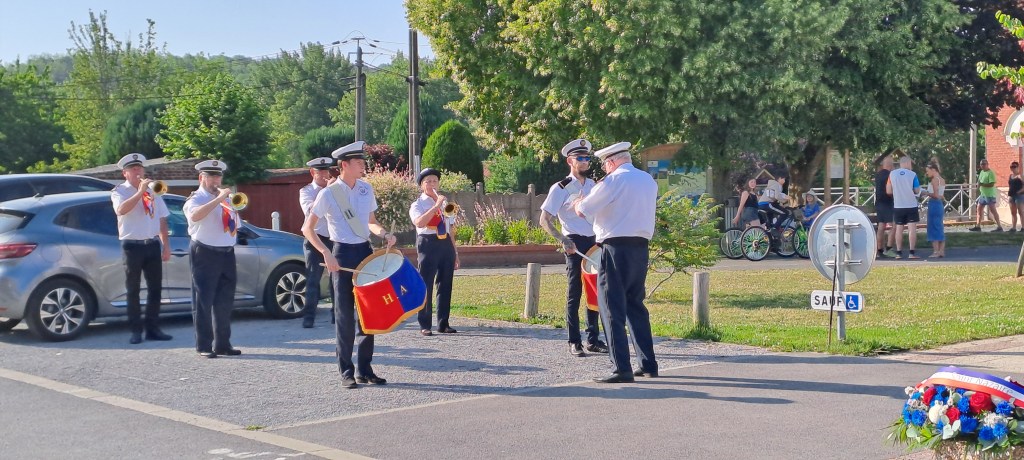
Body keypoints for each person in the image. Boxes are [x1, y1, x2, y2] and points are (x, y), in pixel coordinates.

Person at [302, 141, 397, 389]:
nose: (363, 166)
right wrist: (326, 253)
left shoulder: (366, 188)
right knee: (344, 316)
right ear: (344, 165)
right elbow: (307, 228)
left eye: (363, 162)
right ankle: (346, 371)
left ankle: (365, 369)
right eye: (358, 162)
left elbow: (371, 222)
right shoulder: (328, 193)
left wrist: (384, 234)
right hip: (341, 253)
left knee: (369, 313)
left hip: (365, 253)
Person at [574, 142, 658, 384]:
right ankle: (648, 364)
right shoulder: (647, 180)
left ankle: (621, 367)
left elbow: (584, 209)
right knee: (635, 305)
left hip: (615, 248)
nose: (604, 169)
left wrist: (578, 202)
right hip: (640, 248)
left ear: (611, 162)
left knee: (611, 307)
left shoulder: (613, 181)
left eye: (604, 164)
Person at [539, 139, 608, 357]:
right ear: (570, 161)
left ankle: (593, 339)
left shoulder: (593, 185)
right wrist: (563, 239)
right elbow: (544, 220)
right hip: (574, 242)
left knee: (595, 291)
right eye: (581, 158)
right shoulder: (560, 188)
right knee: (575, 292)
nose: (586, 161)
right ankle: (574, 340)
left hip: (594, 242)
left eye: (587, 157)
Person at [110, 153, 173, 344]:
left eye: (140, 168)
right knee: (133, 289)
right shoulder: (119, 191)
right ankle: (136, 330)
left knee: (155, 289)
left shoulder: (153, 191)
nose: (138, 171)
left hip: (152, 244)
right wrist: (140, 192)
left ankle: (153, 329)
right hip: (132, 246)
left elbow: (162, 219)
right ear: (125, 173)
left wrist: (165, 245)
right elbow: (121, 210)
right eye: (133, 169)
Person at [183, 160, 241, 358]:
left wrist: (228, 202)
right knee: (203, 301)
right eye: (212, 177)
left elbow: (236, 225)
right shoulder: (196, 198)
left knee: (225, 301)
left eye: (218, 176)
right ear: (202, 178)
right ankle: (204, 346)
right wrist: (219, 199)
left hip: (226, 252)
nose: (216, 181)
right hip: (205, 252)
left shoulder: (226, 199)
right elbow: (195, 216)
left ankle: (223, 344)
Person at [409, 167, 460, 336]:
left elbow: (450, 228)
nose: (432, 184)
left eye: (435, 181)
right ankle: (424, 324)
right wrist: (436, 206)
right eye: (428, 181)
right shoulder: (417, 204)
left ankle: (443, 323)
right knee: (426, 283)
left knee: (445, 283)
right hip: (427, 243)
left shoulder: (446, 204)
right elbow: (419, 222)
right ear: (422, 185)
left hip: (445, 243)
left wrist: (455, 253)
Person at [299, 157, 336, 328]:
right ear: (312, 173)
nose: (324, 175)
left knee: (336, 279)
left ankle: (337, 315)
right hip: (315, 238)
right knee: (313, 279)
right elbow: (310, 210)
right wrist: (326, 192)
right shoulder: (306, 191)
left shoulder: (335, 189)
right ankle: (309, 317)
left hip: (333, 238)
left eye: (326, 171)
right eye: (320, 172)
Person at [885, 156, 921, 259]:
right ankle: (911, 253)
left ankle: (899, 252)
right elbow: (917, 190)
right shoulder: (913, 175)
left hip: (898, 205)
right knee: (912, 229)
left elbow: (888, 191)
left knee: (899, 229)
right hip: (911, 205)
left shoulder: (892, 174)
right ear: (908, 163)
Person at [969, 159, 1004, 232]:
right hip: (983, 195)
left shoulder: (990, 173)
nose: (983, 166)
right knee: (979, 209)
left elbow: (991, 184)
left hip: (990, 195)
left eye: (984, 164)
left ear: (987, 164)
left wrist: (982, 184)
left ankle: (999, 226)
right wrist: (977, 188)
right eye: (981, 164)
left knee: (993, 210)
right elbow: (979, 181)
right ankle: (978, 226)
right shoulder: (982, 172)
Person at [875, 156, 897, 258]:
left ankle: (879, 249)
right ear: (891, 165)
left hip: (879, 203)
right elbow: (891, 190)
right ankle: (889, 248)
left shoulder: (878, 175)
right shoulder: (890, 175)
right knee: (894, 225)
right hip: (888, 202)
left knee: (881, 226)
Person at [923, 161, 946, 258]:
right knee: (939, 227)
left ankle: (936, 251)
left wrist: (926, 193)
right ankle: (941, 251)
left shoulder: (934, 180)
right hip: (939, 205)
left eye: (928, 171)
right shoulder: (942, 180)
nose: (927, 173)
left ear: (933, 170)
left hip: (933, 204)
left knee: (933, 227)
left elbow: (935, 195)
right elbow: (941, 195)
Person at [1007, 162, 1024, 232]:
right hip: (1011, 196)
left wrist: (1019, 191)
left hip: (1019, 196)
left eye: (1014, 167)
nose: (1013, 168)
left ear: (1018, 167)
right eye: (1011, 167)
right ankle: (1013, 227)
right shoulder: (1010, 176)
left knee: (1021, 212)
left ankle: (1023, 227)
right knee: (1013, 212)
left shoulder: (1020, 176)